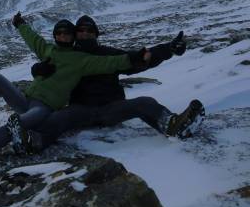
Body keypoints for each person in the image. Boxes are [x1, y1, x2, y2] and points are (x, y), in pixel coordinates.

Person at [0, 12, 148, 159]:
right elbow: (32, 39)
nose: (62, 36)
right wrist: (20, 24)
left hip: (45, 108)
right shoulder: (47, 50)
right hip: (26, 99)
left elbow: (110, 63)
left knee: (20, 122)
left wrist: (134, 57)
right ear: (55, 35)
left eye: (67, 33)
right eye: (58, 33)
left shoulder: (81, 59)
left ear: (72, 36)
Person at [26, 15, 205, 152]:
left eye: (89, 31)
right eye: (81, 30)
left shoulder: (108, 54)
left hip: (111, 109)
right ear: (75, 34)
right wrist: (37, 69)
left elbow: (138, 60)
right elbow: (47, 64)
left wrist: (168, 50)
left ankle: (173, 125)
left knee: (145, 103)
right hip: (80, 110)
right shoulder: (67, 56)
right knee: (59, 118)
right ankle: (33, 141)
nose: (85, 34)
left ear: (96, 34)